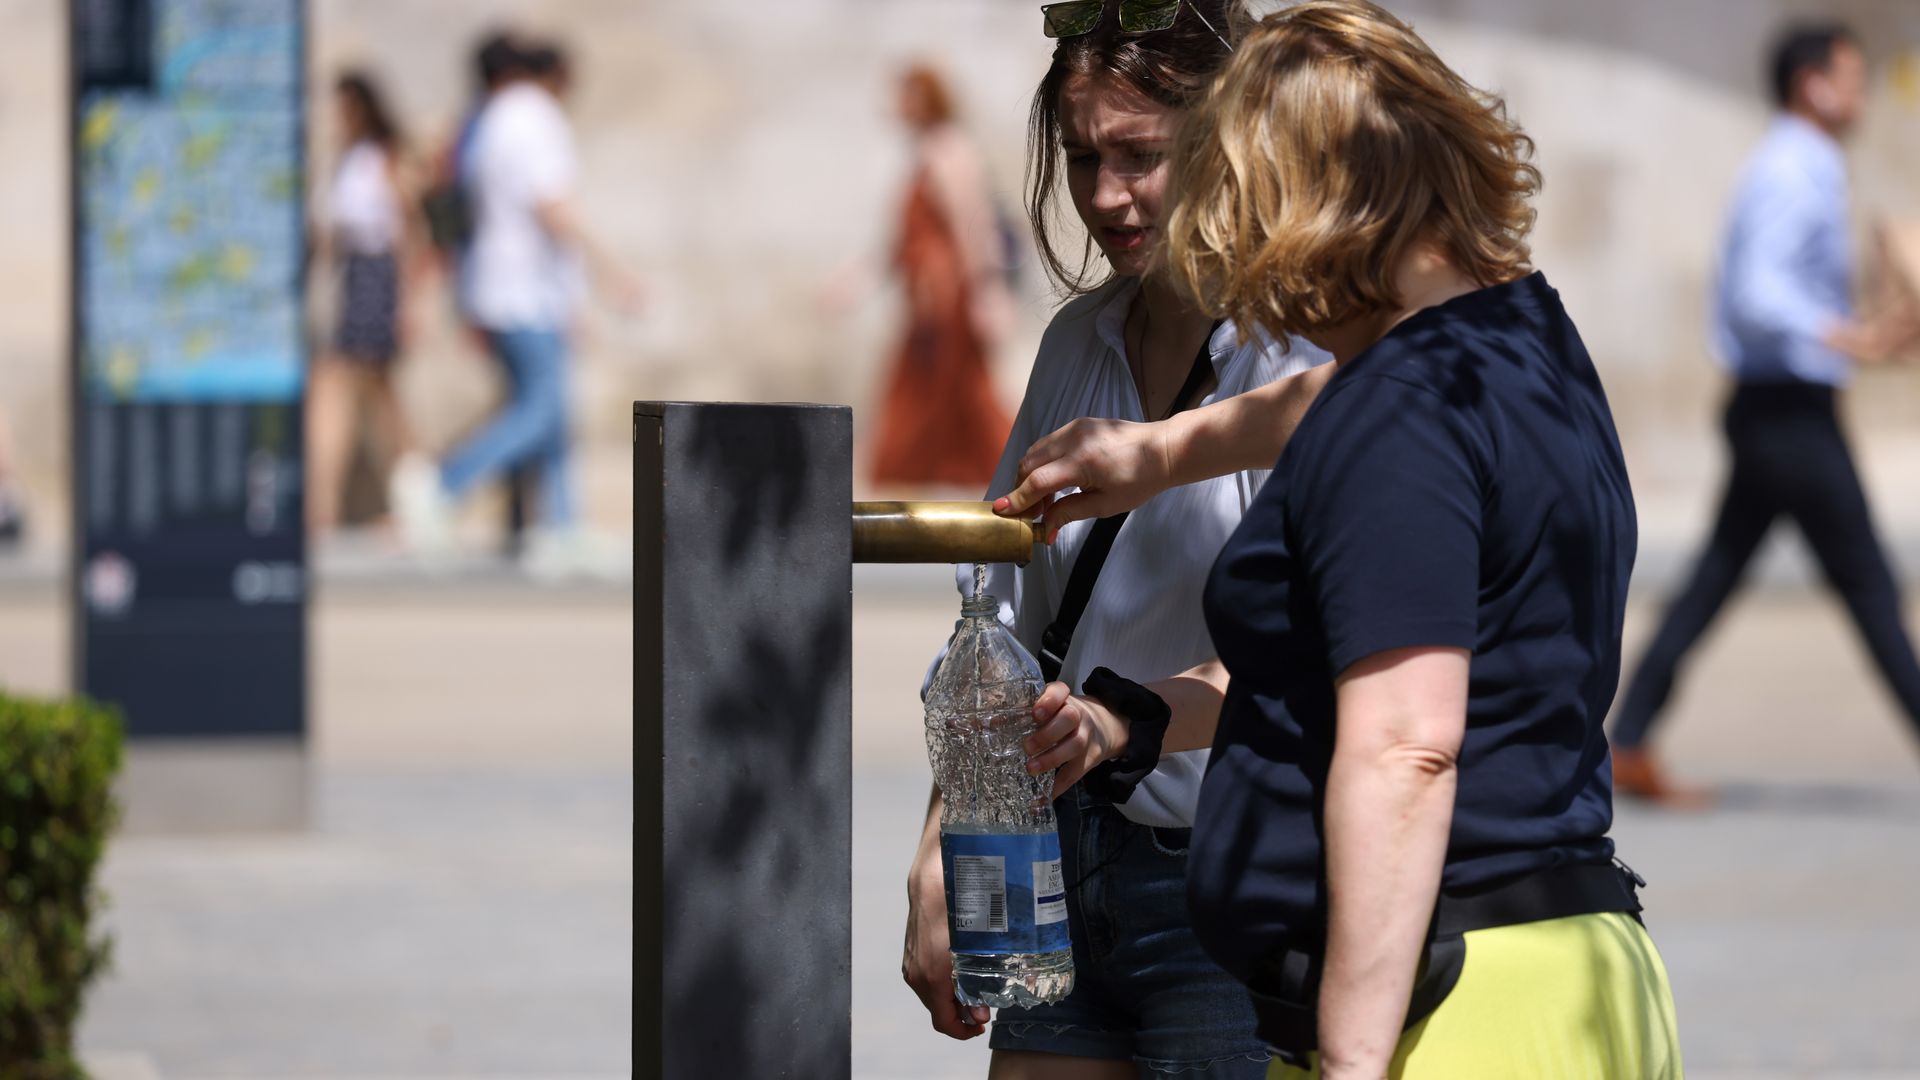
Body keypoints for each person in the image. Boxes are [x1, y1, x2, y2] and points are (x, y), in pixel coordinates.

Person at [1008, 3, 1683, 1075]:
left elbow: (1405, 750)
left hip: (1451, 1006)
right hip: (1574, 969)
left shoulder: (1403, 418)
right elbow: (1339, 399)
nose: (1230, 250)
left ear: (1310, 206)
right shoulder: (1520, 342)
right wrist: (1164, 451)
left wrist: (1354, 1059)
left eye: (1238, 206)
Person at [904, 6, 1331, 1076]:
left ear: (1225, 141)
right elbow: (999, 629)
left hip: (1231, 888)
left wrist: (1119, 722)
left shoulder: (1308, 356)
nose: (1103, 196)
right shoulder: (1076, 341)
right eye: (1085, 157)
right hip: (1057, 864)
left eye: (1141, 156)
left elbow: (1324, 656)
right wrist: (940, 855)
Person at [1610, 23, 1920, 804]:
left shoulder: (1805, 164)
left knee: (1715, 578)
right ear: (1812, 83)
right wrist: (1850, 334)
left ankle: (1629, 738)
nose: (1860, 92)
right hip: (1788, 414)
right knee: (1870, 586)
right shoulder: (1794, 168)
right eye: (1850, 75)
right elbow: (1756, 291)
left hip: (1780, 410)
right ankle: (1627, 738)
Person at [391, 35, 638, 565]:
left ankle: (557, 527)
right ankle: (442, 483)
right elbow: (553, 207)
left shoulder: (484, 119)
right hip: (527, 291)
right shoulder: (532, 117)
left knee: (548, 410)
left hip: (493, 287)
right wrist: (612, 272)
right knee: (542, 409)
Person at [866, 63, 1017, 492]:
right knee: (936, 391)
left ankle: (1012, 466)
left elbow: (973, 225)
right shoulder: (926, 153)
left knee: (966, 391)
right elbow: (903, 241)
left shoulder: (949, 151)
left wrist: (987, 292)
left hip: (949, 295)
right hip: (927, 296)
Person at [308, 71, 419, 535]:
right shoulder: (345, 159)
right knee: (376, 397)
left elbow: (407, 232)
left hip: (377, 277)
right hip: (350, 276)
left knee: (350, 387)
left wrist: (409, 302)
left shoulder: (383, 158)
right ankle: (420, 497)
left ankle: (324, 507)